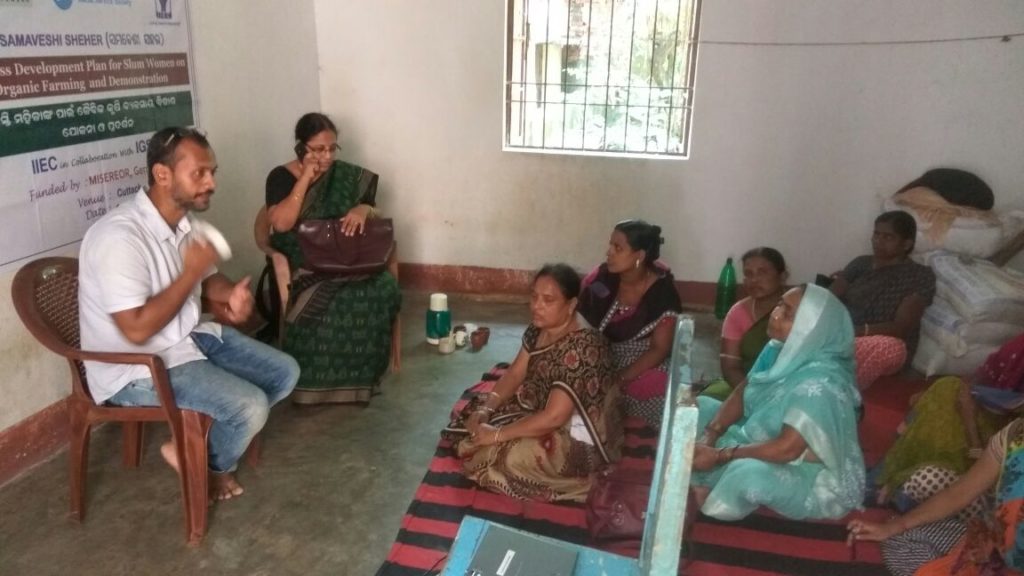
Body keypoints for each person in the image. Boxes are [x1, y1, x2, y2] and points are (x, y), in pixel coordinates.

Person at [79, 127, 300, 501]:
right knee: (249, 407)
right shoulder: (119, 238)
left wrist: (230, 294)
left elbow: (209, 281)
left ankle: (196, 448)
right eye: (199, 172)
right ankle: (211, 468)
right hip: (135, 367)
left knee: (284, 372)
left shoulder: (183, 221)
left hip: (183, 340)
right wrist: (190, 273)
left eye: (212, 171)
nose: (211, 182)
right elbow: (136, 329)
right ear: (162, 175)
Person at [444, 264, 623, 502]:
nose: (537, 306)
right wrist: (487, 409)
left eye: (548, 300)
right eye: (534, 297)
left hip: (578, 432)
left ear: (570, 305)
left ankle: (579, 482)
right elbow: (516, 373)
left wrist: (497, 435)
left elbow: (555, 418)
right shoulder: (541, 326)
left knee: (506, 457)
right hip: (541, 407)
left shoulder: (581, 347)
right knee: (472, 424)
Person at [690, 284, 865, 520]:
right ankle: (706, 476)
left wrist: (719, 455)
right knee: (699, 407)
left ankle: (711, 500)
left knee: (749, 474)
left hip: (804, 471)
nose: (775, 313)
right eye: (780, 304)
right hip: (758, 437)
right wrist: (710, 434)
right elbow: (744, 389)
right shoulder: (778, 349)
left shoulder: (822, 385)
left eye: (788, 312)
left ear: (811, 328)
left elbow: (787, 449)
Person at [265, 112, 401, 404]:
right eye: (318, 149)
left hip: (344, 257)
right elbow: (281, 224)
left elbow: (369, 207)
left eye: (332, 148)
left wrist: (363, 209)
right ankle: (309, 387)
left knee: (379, 288)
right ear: (301, 148)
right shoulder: (280, 176)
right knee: (324, 301)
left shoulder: (347, 176)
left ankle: (361, 381)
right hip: (304, 259)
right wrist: (304, 179)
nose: (327, 156)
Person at [849, 418, 1024, 576]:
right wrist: (896, 526)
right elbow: (960, 492)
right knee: (899, 538)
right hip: (992, 546)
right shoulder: (1016, 435)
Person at [875, 332, 1024, 504]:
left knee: (926, 480)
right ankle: (887, 481)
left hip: (995, 502)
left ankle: (889, 485)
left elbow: (987, 477)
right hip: (984, 467)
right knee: (947, 389)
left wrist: (969, 418)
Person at [577, 220, 682, 425]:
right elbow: (578, 321)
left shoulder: (662, 295)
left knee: (660, 383)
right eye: (610, 245)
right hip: (598, 351)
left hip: (640, 357)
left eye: (618, 248)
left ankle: (638, 428)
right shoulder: (601, 278)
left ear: (639, 256)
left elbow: (658, 350)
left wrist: (619, 378)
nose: (609, 253)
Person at [829, 210, 936, 390]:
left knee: (881, 347)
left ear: (906, 244)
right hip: (843, 331)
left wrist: (855, 332)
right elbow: (828, 298)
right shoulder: (861, 263)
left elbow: (901, 327)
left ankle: (842, 392)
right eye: (876, 234)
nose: (878, 241)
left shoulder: (918, 276)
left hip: (884, 342)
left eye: (888, 237)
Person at [704, 247, 789, 401]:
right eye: (748, 274)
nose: (754, 280)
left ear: (782, 276)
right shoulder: (738, 313)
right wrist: (753, 396)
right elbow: (731, 367)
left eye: (762, 272)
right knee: (704, 404)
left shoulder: (798, 311)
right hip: (746, 388)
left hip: (789, 391)